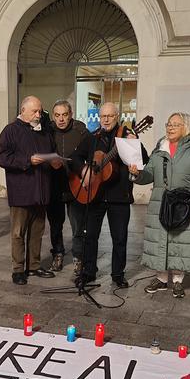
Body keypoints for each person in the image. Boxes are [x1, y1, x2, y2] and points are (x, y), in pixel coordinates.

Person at [132, 112, 190, 299]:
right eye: (168, 124)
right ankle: (161, 279)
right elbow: (148, 175)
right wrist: (137, 173)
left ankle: (177, 281)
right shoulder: (159, 151)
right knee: (160, 240)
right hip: (160, 203)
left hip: (183, 206)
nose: (170, 127)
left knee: (179, 242)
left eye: (175, 124)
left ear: (186, 128)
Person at [69, 102, 147, 289]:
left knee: (119, 238)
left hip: (119, 196)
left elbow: (144, 158)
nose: (105, 119)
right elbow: (75, 158)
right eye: (103, 116)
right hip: (95, 195)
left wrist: (135, 143)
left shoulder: (127, 136)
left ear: (117, 116)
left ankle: (118, 275)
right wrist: (84, 170)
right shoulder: (93, 137)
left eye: (110, 116)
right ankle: (88, 272)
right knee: (90, 236)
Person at [0, 96, 63, 285]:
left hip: (41, 191)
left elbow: (51, 153)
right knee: (18, 233)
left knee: (37, 232)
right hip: (22, 192)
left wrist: (54, 161)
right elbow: (2, 158)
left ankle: (33, 266)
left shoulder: (44, 132)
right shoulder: (11, 131)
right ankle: (18, 269)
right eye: (34, 111)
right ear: (23, 110)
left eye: (40, 111)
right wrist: (28, 161)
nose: (38, 114)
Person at [48, 100, 89, 273]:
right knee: (55, 225)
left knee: (78, 226)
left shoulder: (81, 131)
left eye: (64, 115)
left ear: (71, 114)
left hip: (76, 185)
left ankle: (78, 257)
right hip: (54, 185)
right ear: (53, 116)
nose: (61, 119)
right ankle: (57, 254)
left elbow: (91, 153)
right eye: (57, 115)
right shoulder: (47, 131)